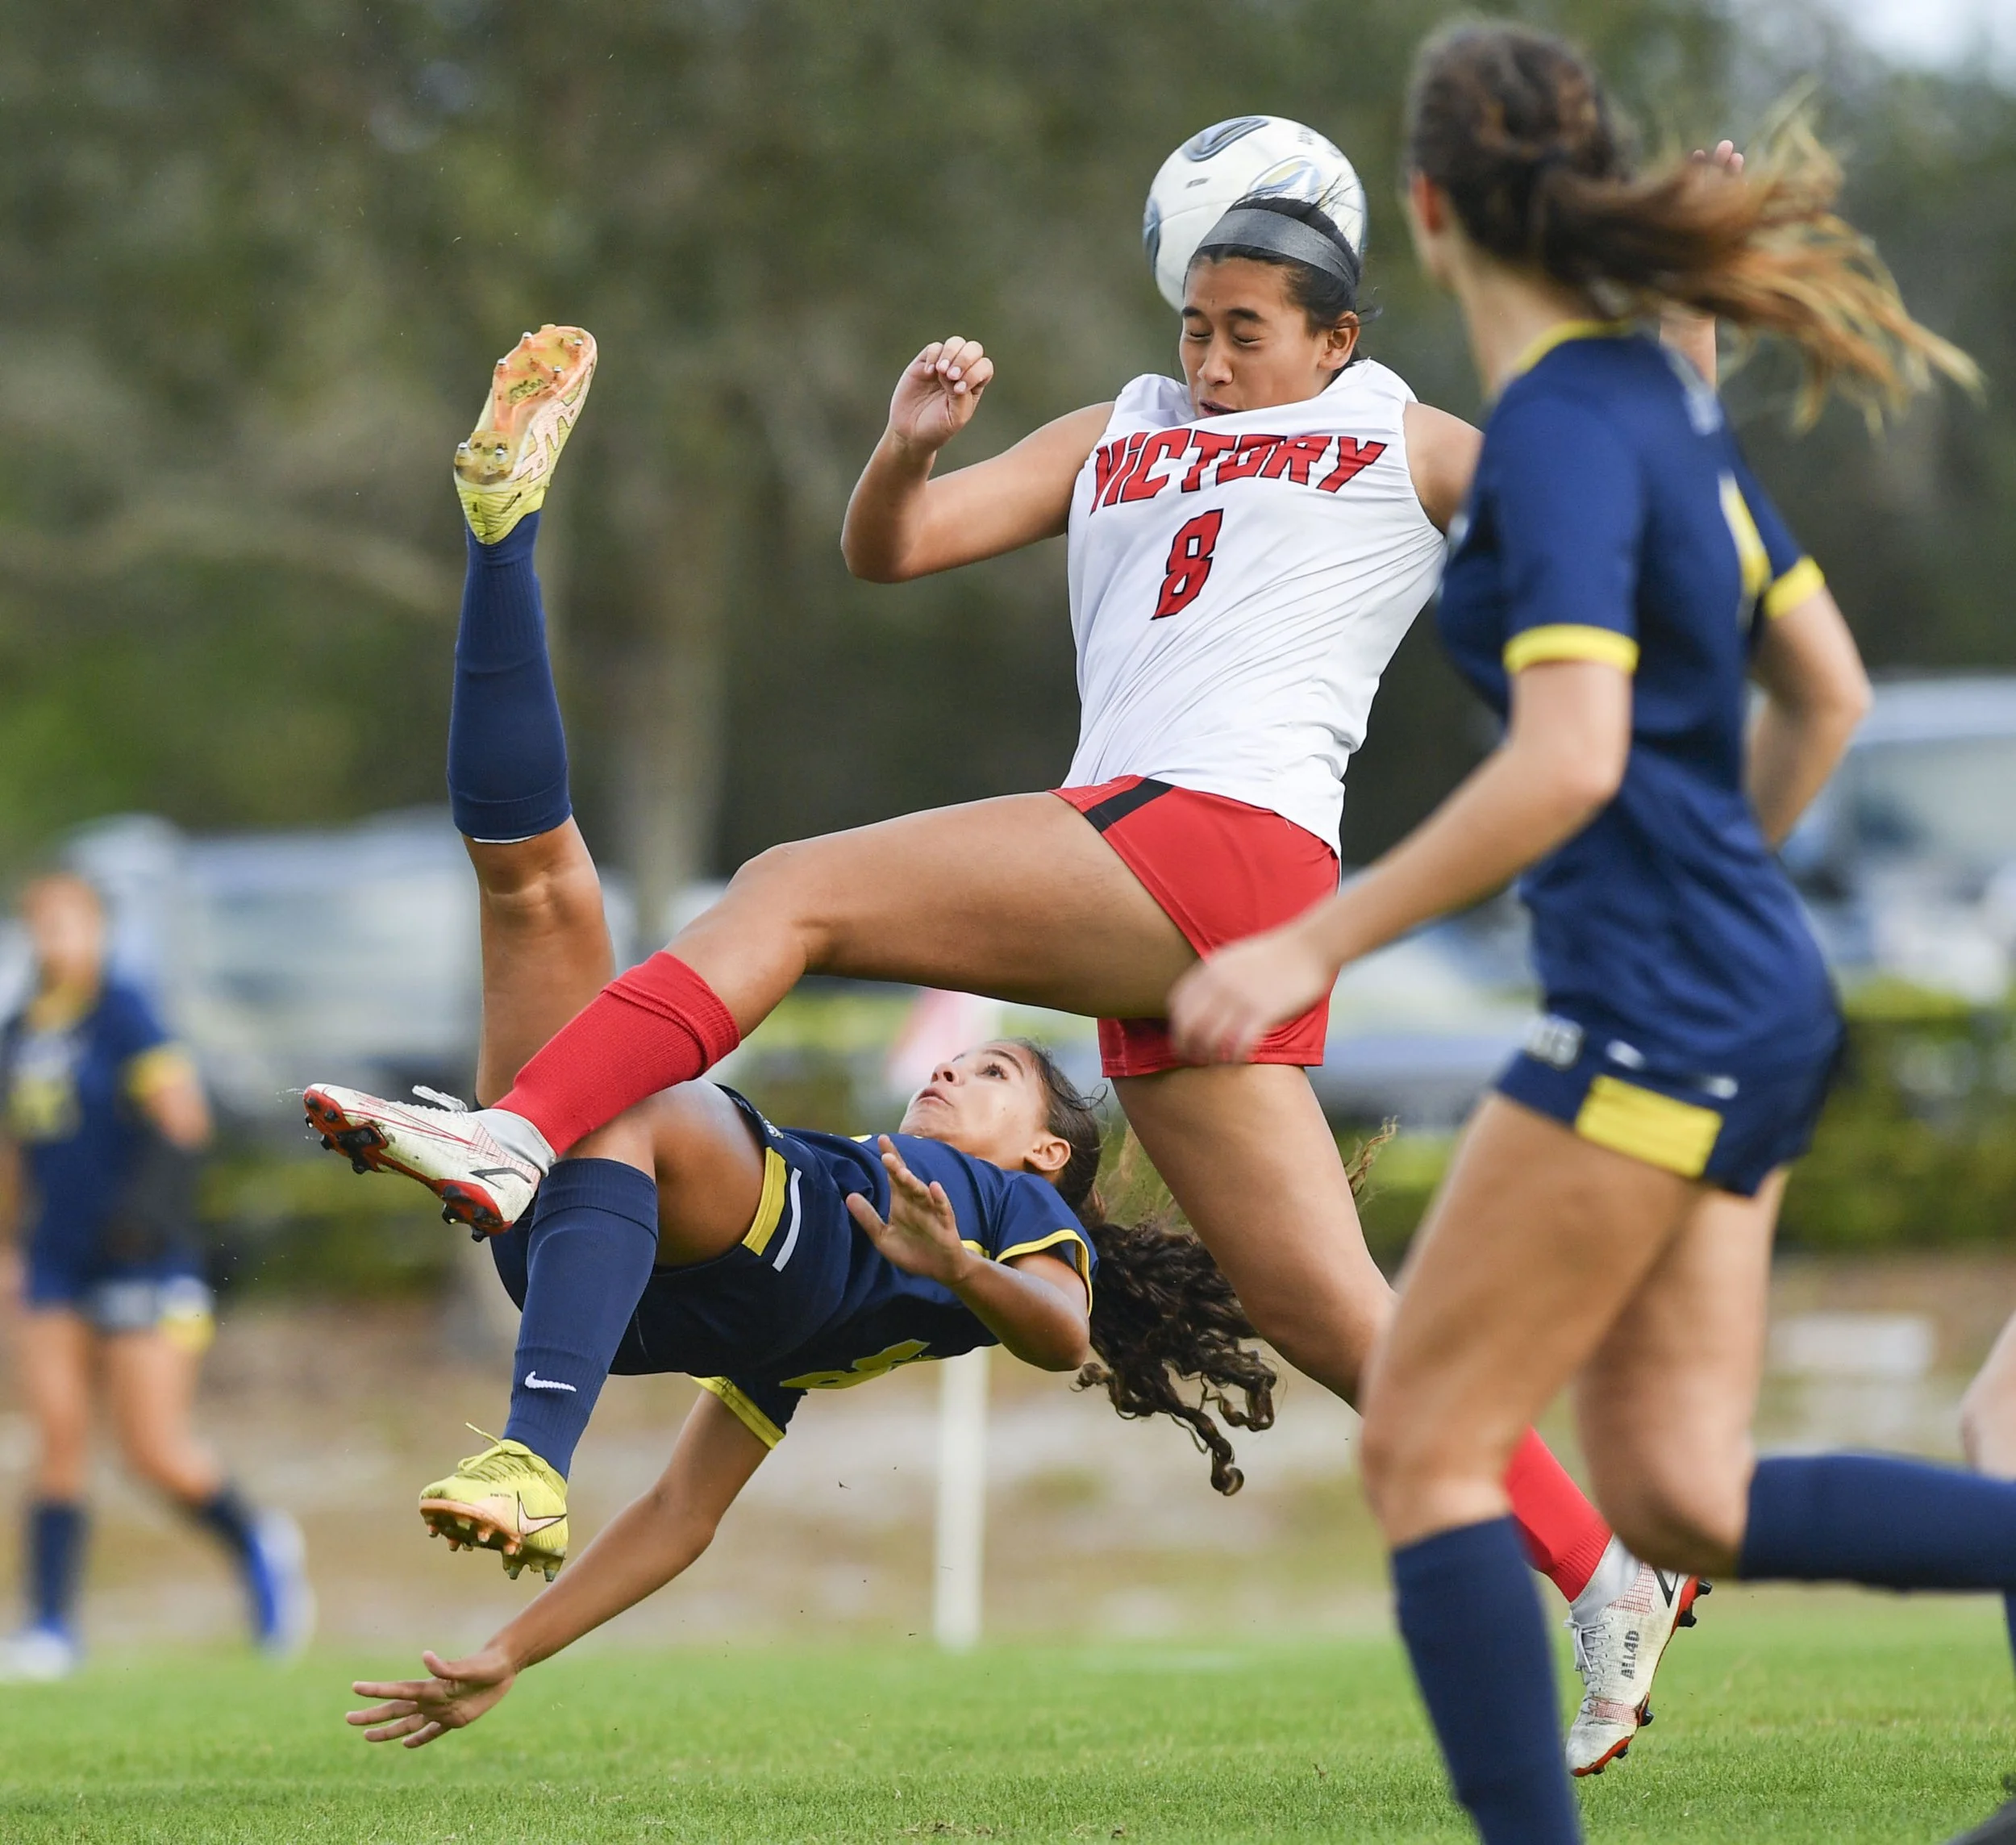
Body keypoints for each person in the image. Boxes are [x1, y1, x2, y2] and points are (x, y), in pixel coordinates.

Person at [302, 164, 1708, 1768]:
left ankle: (524, 1131)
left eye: (1246, 331)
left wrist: (1683, 308)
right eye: (1194, 324)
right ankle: (1603, 1568)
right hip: (1170, 891)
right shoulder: (1116, 427)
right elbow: (890, 551)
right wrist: (904, 451)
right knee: (1325, 1309)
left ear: (1337, 337)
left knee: (794, 886)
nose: (1211, 360)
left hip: (1215, 837)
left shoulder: (1405, 434)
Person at [1164, 23, 2009, 1844]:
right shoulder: (1643, 404)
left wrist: (1323, 938)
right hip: (1754, 994)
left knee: (1424, 1441)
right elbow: (1830, 689)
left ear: (1428, 212)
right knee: (1682, 1491)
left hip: (1655, 1015)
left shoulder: (1553, 430)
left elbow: (1569, 757)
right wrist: (1715, 873)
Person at [0, 873, 312, 1679]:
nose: (55, 939)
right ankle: (50, 1627)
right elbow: (13, 1153)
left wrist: (142, 1217)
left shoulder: (125, 1012)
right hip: (54, 1258)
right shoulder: (21, 1030)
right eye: (42, 923)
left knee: (152, 1448)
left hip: (141, 1255)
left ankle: (259, 1544)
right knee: (59, 1436)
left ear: (100, 929)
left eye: (71, 922)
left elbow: (184, 1118)